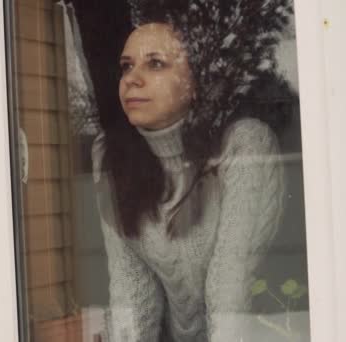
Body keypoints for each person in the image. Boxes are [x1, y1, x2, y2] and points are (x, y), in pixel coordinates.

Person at [91, 4, 290, 341]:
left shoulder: (242, 145)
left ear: (196, 82)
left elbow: (230, 292)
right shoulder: (112, 157)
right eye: (127, 66)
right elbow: (131, 291)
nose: (132, 79)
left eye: (155, 63)